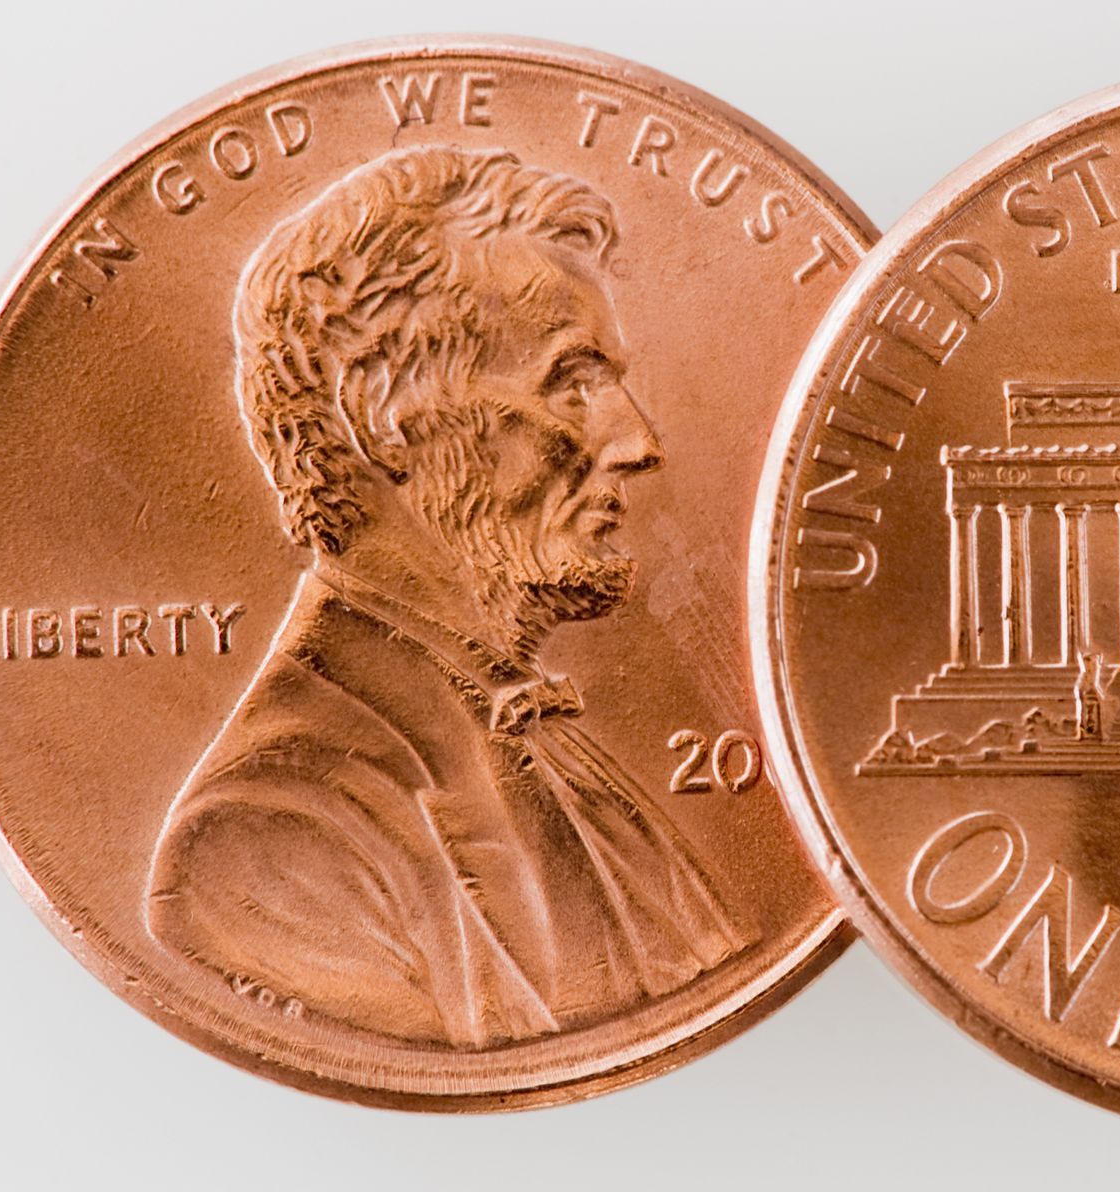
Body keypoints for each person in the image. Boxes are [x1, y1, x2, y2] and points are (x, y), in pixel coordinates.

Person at [145, 146, 748, 1050]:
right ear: (382, 415)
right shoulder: (265, 838)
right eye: (572, 381)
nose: (638, 441)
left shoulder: (556, 751)